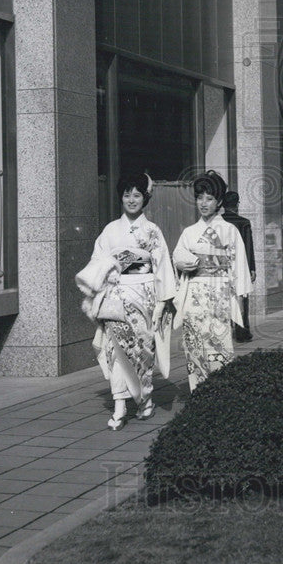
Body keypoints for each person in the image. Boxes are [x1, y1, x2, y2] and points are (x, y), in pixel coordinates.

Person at [75, 171, 175, 430]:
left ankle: (145, 400)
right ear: (121, 197)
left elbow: (162, 265)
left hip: (144, 296)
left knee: (142, 349)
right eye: (127, 194)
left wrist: (163, 302)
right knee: (115, 350)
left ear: (145, 198)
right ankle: (120, 406)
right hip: (117, 297)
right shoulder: (110, 230)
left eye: (137, 194)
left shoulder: (152, 231)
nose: (131, 199)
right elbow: (97, 263)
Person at [173, 171, 252, 391]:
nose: (203, 203)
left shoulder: (229, 230)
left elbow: (238, 262)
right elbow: (178, 255)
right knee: (194, 343)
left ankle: (220, 392)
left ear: (218, 202)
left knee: (219, 341)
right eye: (200, 198)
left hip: (219, 292)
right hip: (195, 291)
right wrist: (184, 261)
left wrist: (240, 290)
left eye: (209, 198)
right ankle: (197, 390)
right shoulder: (190, 232)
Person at [221, 190, 256, 343]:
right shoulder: (243, 222)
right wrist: (252, 268)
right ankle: (242, 331)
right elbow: (249, 246)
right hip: (240, 265)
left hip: (222, 265)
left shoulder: (218, 222)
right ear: (237, 204)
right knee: (242, 297)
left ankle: (224, 331)